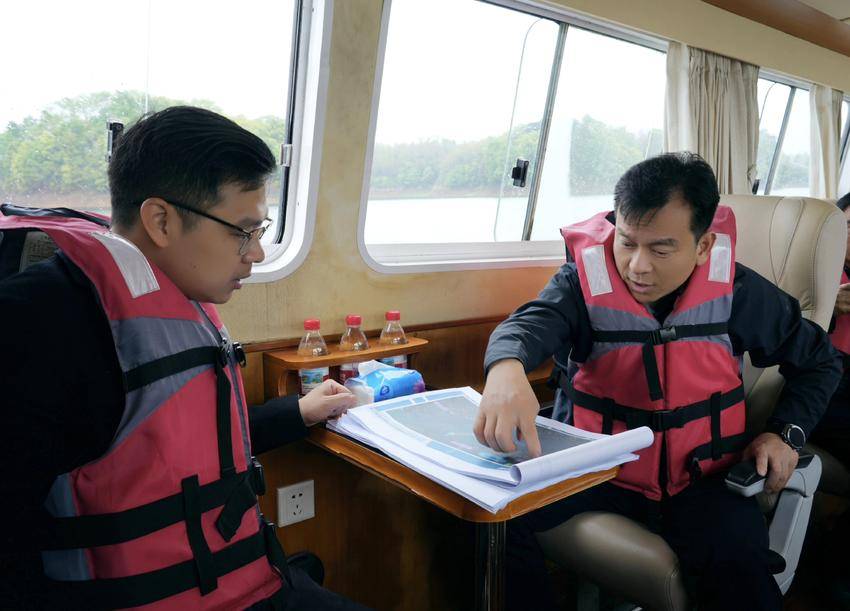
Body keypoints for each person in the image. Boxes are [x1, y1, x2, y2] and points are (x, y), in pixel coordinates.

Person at [0, 106, 368, 610]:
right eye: (243, 231)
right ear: (161, 221)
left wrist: (296, 413)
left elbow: (176, 449)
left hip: (248, 580)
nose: (257, 253)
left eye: (261, 231)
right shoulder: (37, 326)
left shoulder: (178, 295)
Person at [474, 152, 842, 611]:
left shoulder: (739, 292)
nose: (637, 266)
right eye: (627, 243)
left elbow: (820, 362)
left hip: (706, 481)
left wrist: (785, 433)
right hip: (598, 471)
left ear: (703, 246)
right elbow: (527, 325)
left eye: (660, 249)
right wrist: (505, 368)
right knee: (490, 515)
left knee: (741, 578)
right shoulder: (581, 284)